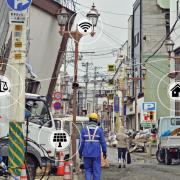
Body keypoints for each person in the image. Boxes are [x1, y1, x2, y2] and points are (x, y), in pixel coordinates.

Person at [79, 113, 107, 180]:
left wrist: (80, 153)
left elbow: (81, 143)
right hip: (96, 154)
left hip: (86, 153)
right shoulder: (99, 130)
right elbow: (103, 142)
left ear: (89, 120)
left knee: (88, 170)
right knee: (96, 171)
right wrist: (104, 152)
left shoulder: (84, 130)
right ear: (97, 120)